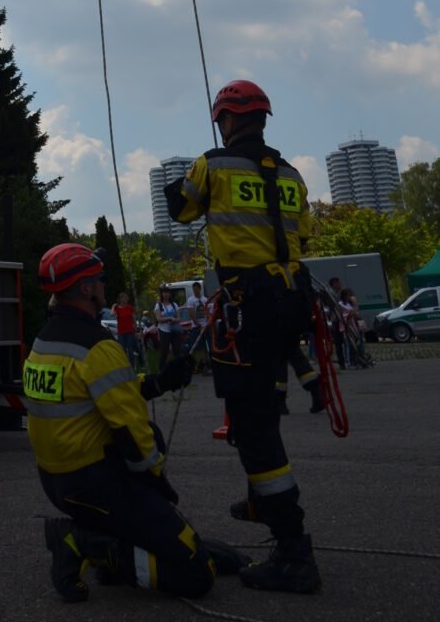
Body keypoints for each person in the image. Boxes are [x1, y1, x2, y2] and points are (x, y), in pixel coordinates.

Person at [166, 80, 322, 593]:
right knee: (260, 411)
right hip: (290, 303)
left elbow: (181, 209)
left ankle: (293, 552)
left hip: (248, 308)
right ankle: (262, 501)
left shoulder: (212, 165)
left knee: (253, 429)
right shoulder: (292, 175)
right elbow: (303, 234)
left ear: (227, 120)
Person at [24, 243, 246, 601]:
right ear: (86, 288)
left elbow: (104, 392)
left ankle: (105, 543)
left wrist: (161, 381)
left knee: (181, 543)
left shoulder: (45, 340)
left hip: (58, 482)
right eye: (99, 278)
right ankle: (87, 544)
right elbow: (131, 430)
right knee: (196, 574)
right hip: (96, 485)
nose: (104, 284)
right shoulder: (97, 346)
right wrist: (155, 483)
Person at [153, 285, 183, 367]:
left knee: (177, 350)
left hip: (174, 330)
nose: (166, 294)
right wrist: (168, 319)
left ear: (170, 294)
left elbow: (179, 318)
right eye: (164, 293)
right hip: (164, 331)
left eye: (167, 293)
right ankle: (161, 368)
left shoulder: (174, 305)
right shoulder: (158, 305)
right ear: (162, 294)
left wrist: (174, 320)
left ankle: (179, 367)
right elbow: (158, 319)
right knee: (164, 351)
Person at [114, 290, 140, 369]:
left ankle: (132, 366)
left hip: (129, 331)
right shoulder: (117, 308)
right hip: (121, 332)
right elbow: (112, 314)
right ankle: (124, 366)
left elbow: (134, 319)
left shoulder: (130, 307)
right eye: (123, 298)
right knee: (122, 350)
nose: (125, 299)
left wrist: (136, 330)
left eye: (126, 298)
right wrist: (113, 306)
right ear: (120, 299)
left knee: (130, 349)